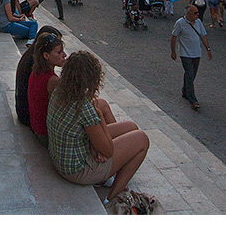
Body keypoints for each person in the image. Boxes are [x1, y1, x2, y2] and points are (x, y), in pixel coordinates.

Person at [46, 51, 150, 206]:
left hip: (63, 157)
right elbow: (108, 151)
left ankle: (113, 170)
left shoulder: (58, 91)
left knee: (131, 127)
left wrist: (96, 145)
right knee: (141, 139)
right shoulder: (83, 108)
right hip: (77, 171)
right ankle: (113, 196)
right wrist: (100, 117)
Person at [15, 25, 62, 128]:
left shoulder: (32, 57)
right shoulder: (38, 67)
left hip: (23, 110)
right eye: (58, 50)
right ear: (46, 53)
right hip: (27, 116)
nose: (63, 54)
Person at [27, 32, 67, 145]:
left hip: (37, 128)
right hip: (46, 134)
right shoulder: (52, 80)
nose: (64, 55)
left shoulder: (36, 71)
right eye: (59, 52)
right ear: (46, 56)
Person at [170, 5, 212, 111]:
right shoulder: (180, 23)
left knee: (192, 75)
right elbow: (174, 37)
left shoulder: (198, 23)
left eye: (198, 12)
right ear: (188, 14)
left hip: (196, 53)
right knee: (189, 74)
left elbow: (203, 36)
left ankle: (185, 91)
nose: (198, 14)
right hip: (185, 53)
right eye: (195, 13)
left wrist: (208, 49)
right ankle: (193, 99)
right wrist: (173, 52)